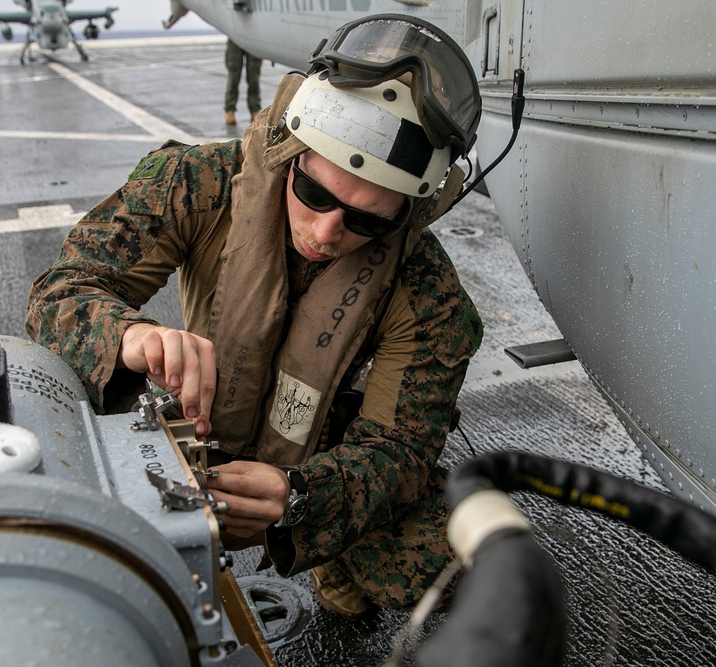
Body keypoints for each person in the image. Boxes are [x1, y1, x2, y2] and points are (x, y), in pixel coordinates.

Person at [26, 14, 484, 617]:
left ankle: (329, 558)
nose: (326, 232)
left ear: (408, 213)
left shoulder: (432, 299)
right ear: (291, 153)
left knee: (461, 575)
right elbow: (59, 292)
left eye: (368, 220)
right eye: (315, 194)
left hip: (320, 460)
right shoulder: (195, 184)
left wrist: (304, 500)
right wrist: (131, 336)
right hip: (182, 436)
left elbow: (400, 451)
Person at [224, 39, 262, 125]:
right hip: (235, 36)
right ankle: (230, 110)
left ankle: (254, 110)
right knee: (233, 77)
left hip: (253, 37)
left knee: (254, 78)